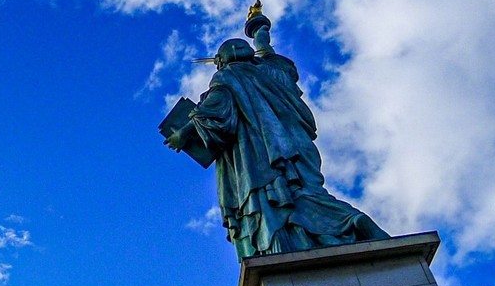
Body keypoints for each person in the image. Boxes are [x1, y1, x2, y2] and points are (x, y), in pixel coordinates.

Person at [165, 20, 388, 259]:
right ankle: (350, 221)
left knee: (271, 206)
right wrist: (260, 35)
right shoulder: (272, 71)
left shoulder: (227, 78)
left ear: (223, 59)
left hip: (256, 157)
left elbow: (215, 113)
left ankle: (282, 253)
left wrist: (183, 133)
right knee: (304, 195)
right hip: (293, 148)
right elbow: (269, 54)